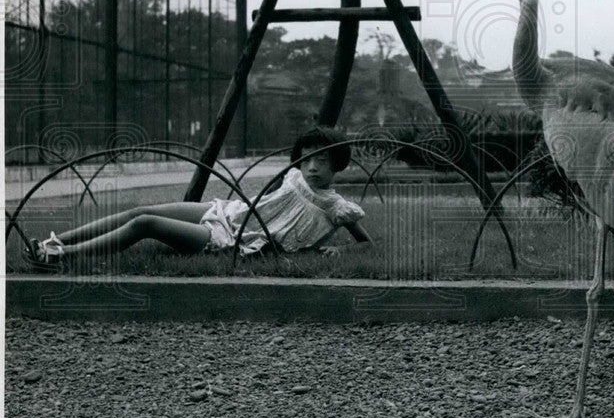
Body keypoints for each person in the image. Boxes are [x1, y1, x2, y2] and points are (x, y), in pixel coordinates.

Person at [25, 126, 370, 270]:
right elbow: (268, 203)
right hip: (230, 212)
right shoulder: (294, 175)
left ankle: (62, 257)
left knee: (146, 224)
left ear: (336, 164)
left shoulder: (338, 208)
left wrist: (342, 248)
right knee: (141, 208)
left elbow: (367, 245)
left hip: (235, 238)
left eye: (321, 161)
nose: (311, 167)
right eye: (306, 158)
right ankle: (56, 240)